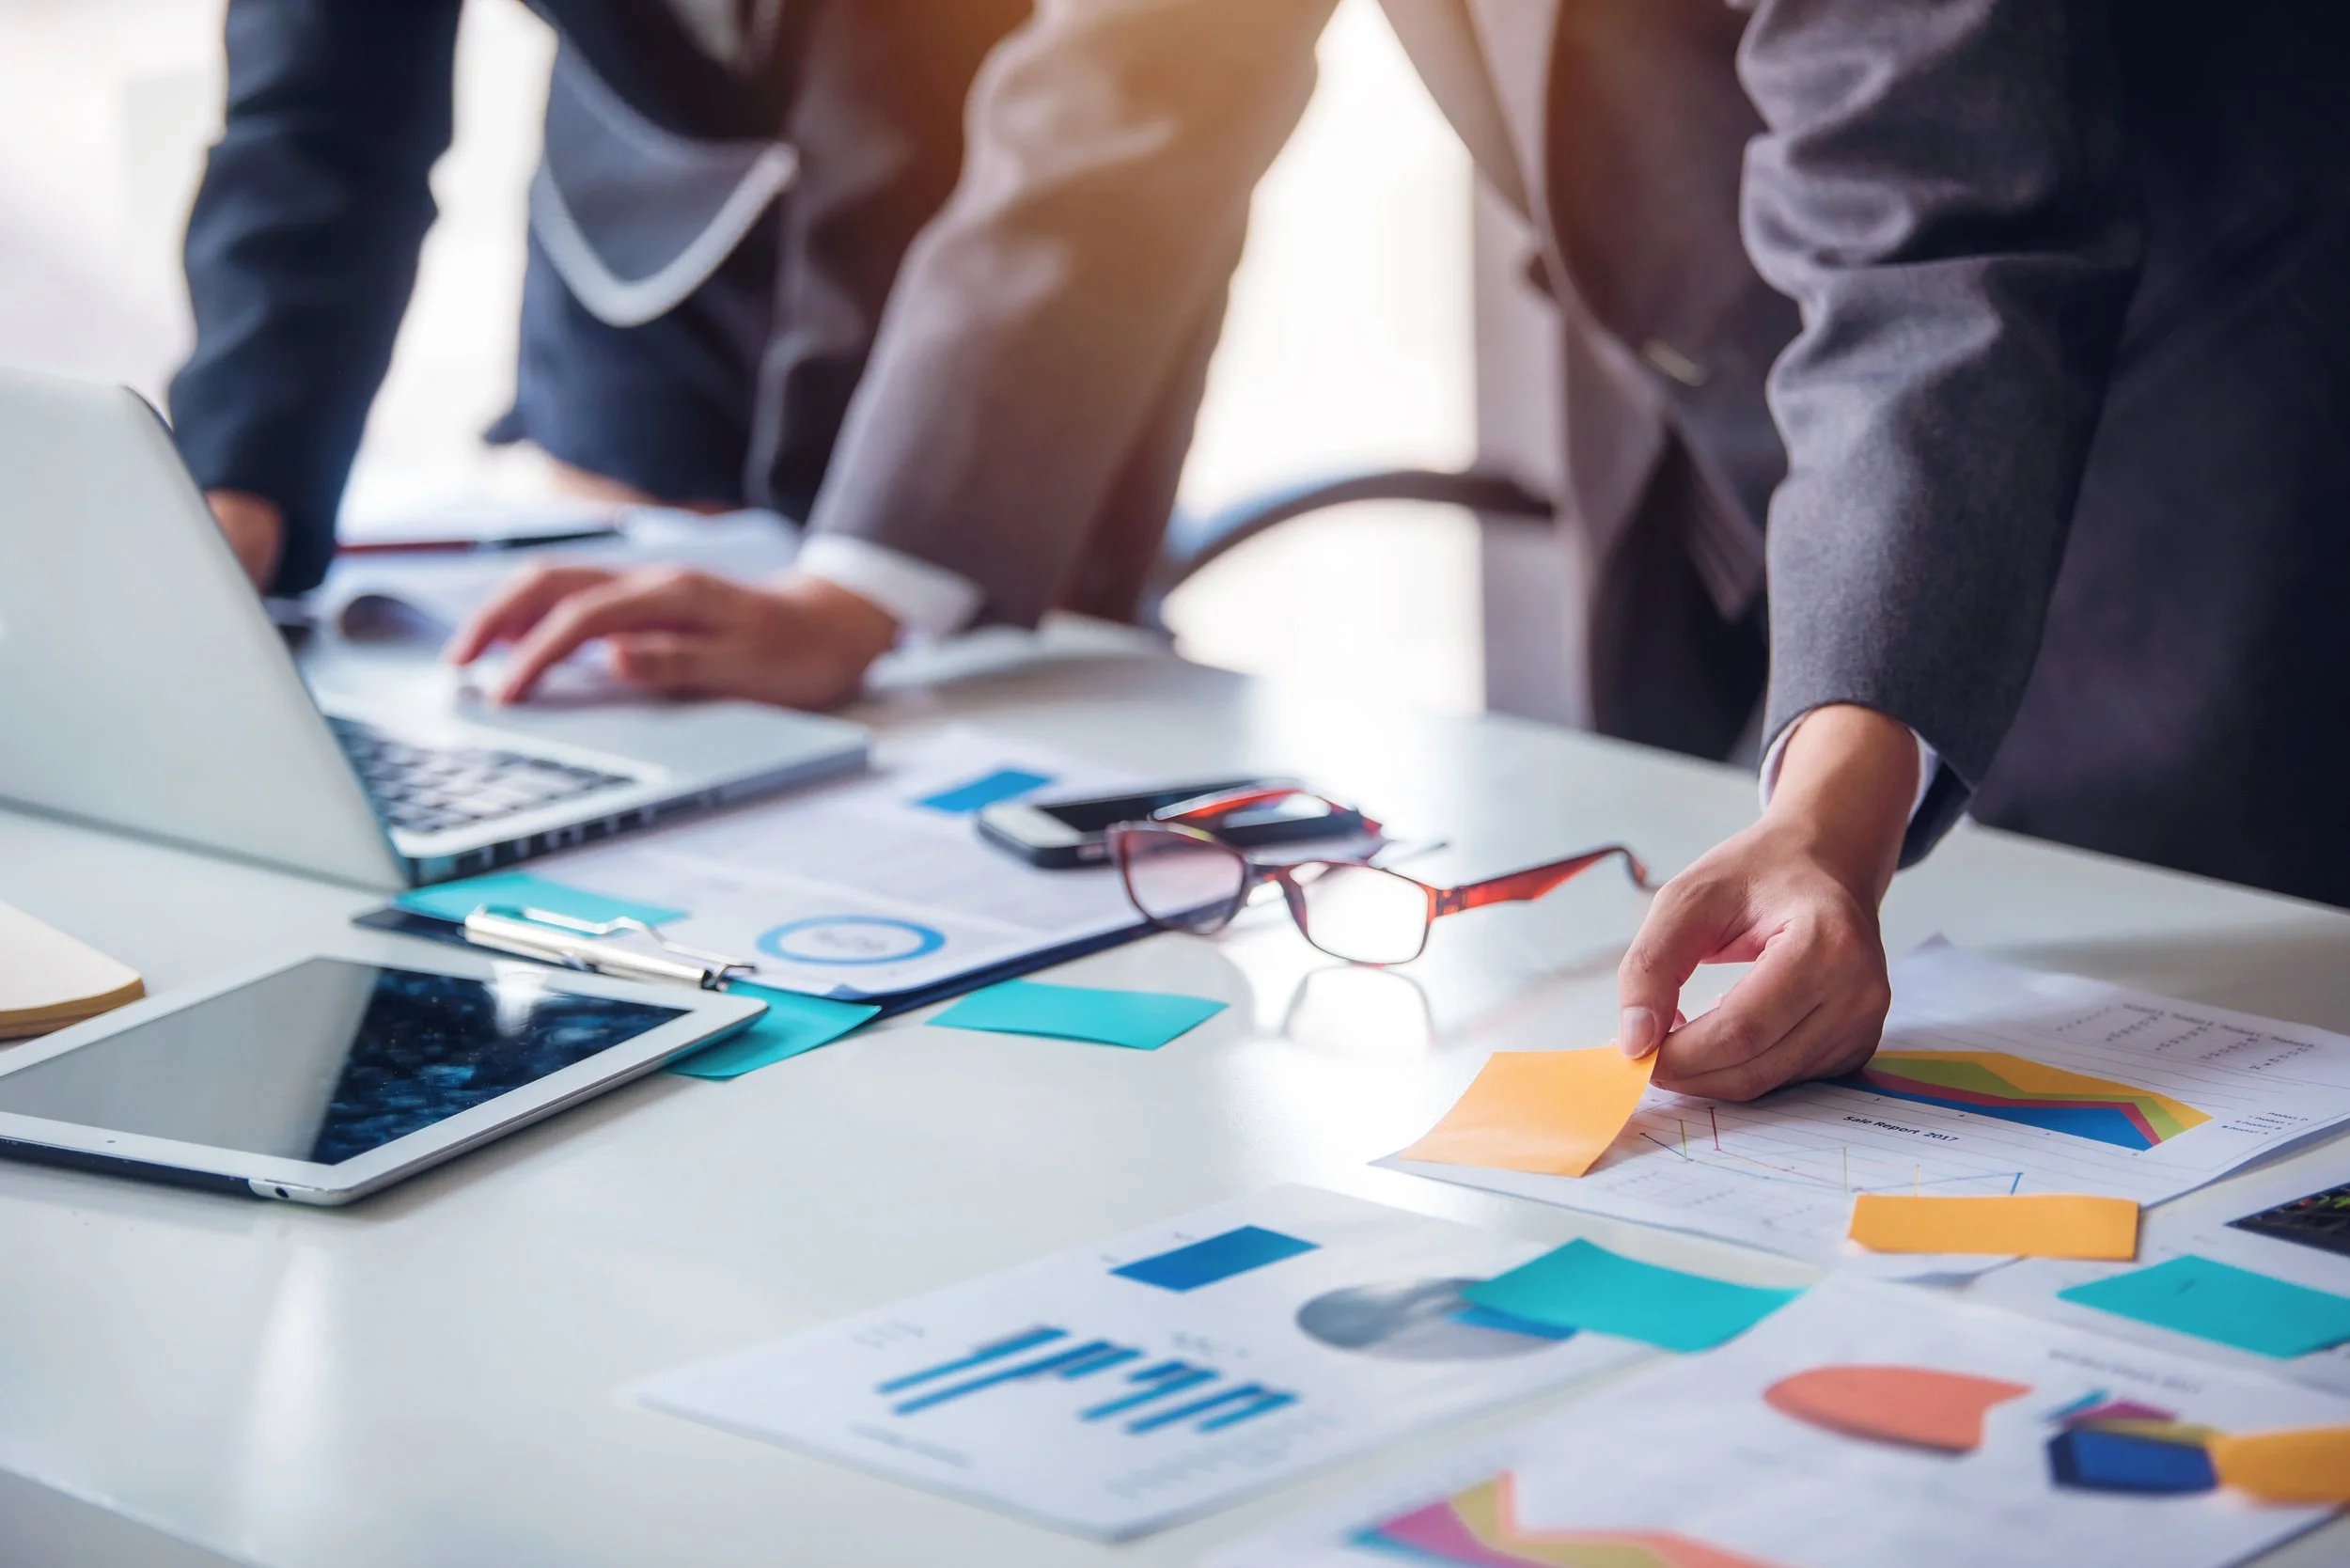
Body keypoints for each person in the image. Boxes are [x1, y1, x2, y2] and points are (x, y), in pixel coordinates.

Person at [478, 0, 2350, 1102]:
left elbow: (1936, 240)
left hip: (2171, 418)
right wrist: (855, 589)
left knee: (2194, 1075)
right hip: (1725, 390)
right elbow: (1131, 81)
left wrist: (1836, 804)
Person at [172, 0, 1036, 705]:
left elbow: (1121, 103)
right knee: (620, 691)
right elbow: (322, 100)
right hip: (633, 237)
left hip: (1017, 269)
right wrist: (242, 479)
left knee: (1001, 697)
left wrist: (873, 587)